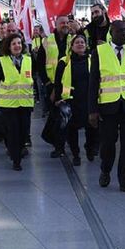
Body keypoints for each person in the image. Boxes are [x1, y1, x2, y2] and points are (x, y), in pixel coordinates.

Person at [89, 20, 125, 193]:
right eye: (122, 31)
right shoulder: (99, 52)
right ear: (112, 32)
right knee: (108, 144)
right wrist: (92, 110)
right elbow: (93, 83)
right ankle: (105, 170)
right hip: (108, 106)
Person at [53, 35, 98, 164]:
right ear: (71, 46)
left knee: (92, 127)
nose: (80, 44)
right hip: (71, 100)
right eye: (77, 42)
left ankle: (90, 149)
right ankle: (76, 154)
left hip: (89, 99)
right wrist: (57, 98)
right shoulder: (64, 62)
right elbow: (58, 82)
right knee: (72, 129)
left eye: (82, 42)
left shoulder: (92, 60)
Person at [0, 33, 33, 170]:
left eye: (19, 43)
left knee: (23, 132)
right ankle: (16, 159)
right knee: (13, 131)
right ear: (8, 47)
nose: (17, 46)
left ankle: (18, 150)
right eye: (14, 44)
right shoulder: (2, 61)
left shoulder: (28, 60)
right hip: (8, 105)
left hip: (25, 103)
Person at [37, 15, 71, 156]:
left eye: (67, 22)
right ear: (55, 25)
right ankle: (58, 145)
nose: (65, 25)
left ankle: (59, 143)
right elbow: (40, 64)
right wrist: (47, 83)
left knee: (64, 116)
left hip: (68, 84)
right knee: (56, 115)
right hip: (52, 85)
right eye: (62, 22)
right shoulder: (47, 41)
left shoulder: (73, 40)